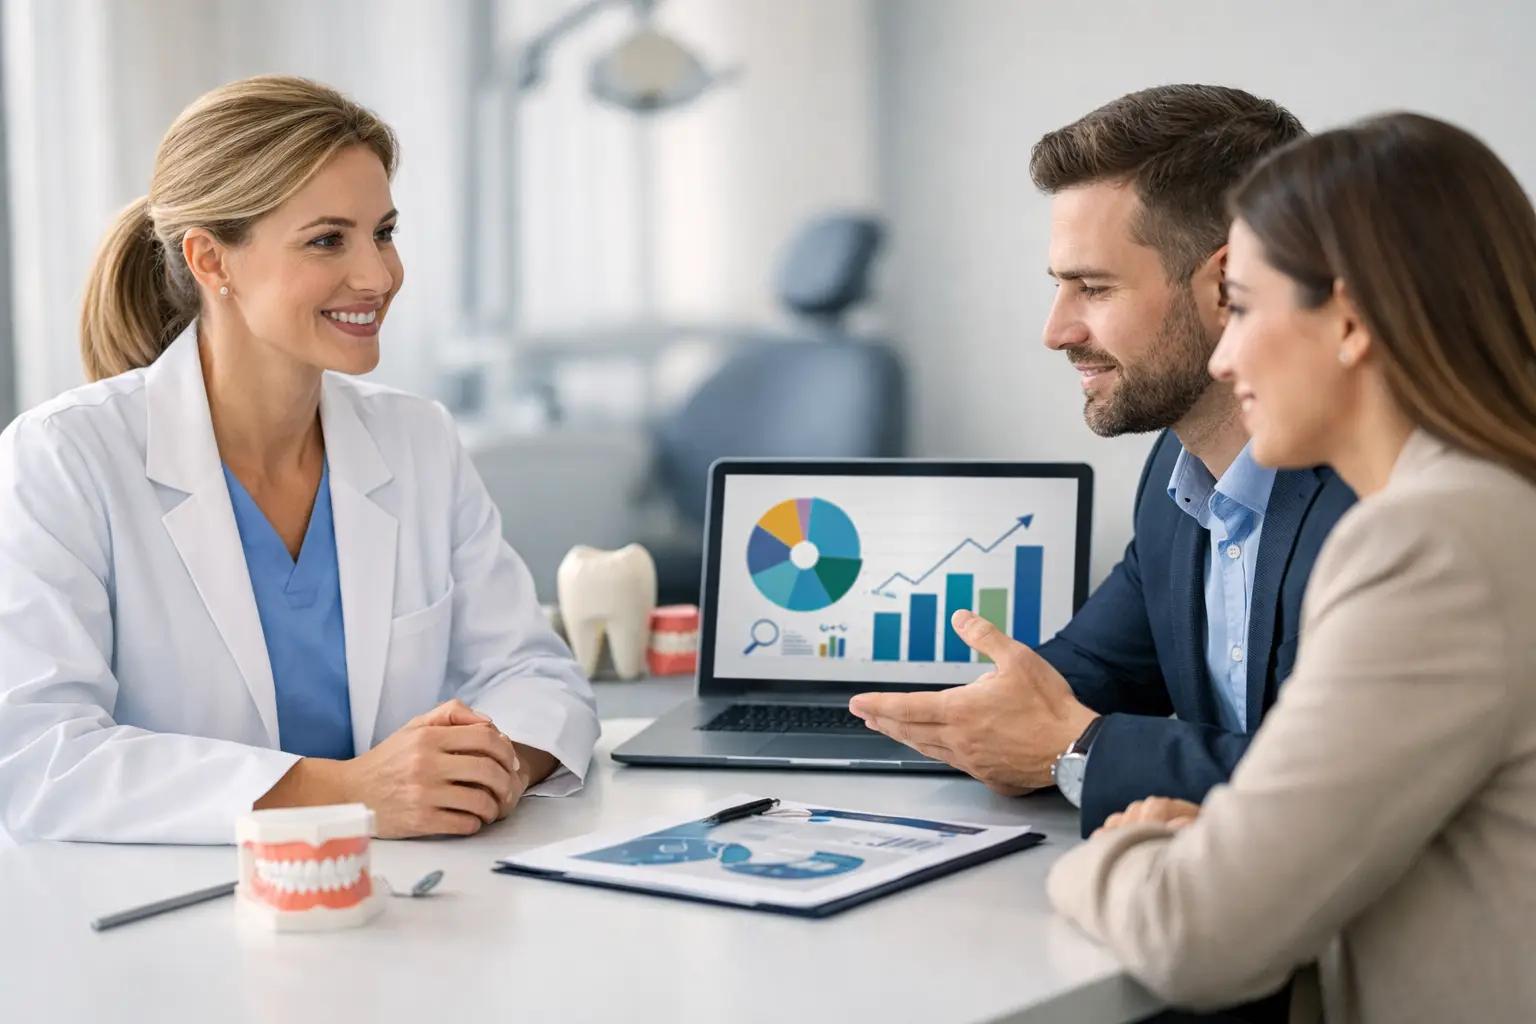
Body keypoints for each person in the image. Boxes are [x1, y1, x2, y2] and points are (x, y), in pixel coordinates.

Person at [0, 76, 599, 844]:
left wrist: (487, 769)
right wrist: (350, 793)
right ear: (211, 261)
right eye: (327, 240)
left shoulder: (417, 439)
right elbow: (39, 756)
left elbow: (533, 674)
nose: (378, 276)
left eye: (383, 233)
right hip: (173, 904)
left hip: (409, 889)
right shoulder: (64, 458)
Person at [1046, 112, 1536, 1022]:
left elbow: (1197, 935)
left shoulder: (1433, 544)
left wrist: (1116, 852)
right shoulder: (1485, 506)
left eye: (1241, 307)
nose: (1226, 354)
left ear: (1347, 320)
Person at [851, 85, 1356, 836]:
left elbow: (1335, 785)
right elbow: (1091, 673)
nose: (1056, 331)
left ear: (1227, 285)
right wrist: (970, 715)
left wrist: (1075, 748)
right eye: (1060, 287)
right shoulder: (1178, 472)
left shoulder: (1372, 495)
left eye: (1093, 288)